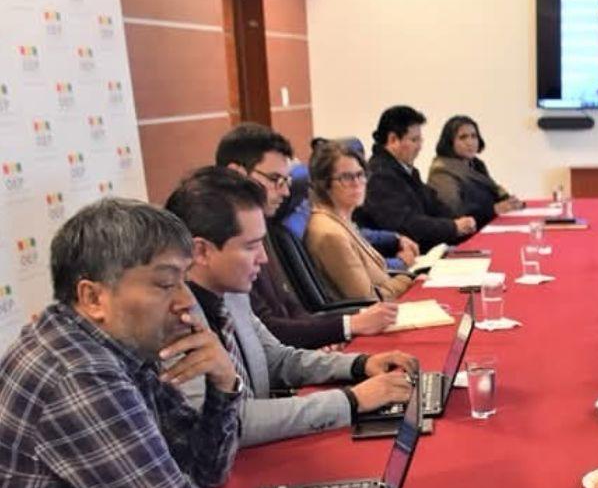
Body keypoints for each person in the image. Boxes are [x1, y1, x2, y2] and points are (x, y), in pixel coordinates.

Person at [0, 199, 241, 488]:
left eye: (184, 280)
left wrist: (224, 382)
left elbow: (204, 470)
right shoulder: (78, 374)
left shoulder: (113, 346)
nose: (185, 302)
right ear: (93, 297)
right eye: (165, 284)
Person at [165, 167, 416, 447]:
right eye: (250, 247)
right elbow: (233, 423)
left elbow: (278, 360)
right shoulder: (173, 321)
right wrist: (351, 400)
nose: (262, 258)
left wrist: (359, 365)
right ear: (201, 251)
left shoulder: (230, 294)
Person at [215, 123, 399, 349]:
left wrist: (324, 339)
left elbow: (292, 308)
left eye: (287, 181)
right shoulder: (226, 241)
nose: (285, 192)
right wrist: (347, 326)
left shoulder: (269, 229)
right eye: (275, 180)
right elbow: (266, 328)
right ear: (236, 174)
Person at [356, 105, 477, 249]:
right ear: (393, 139)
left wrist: (458, 221)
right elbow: (405, 224)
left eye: (420, 140)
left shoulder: (406, 170)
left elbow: (433, 204)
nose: (419, 146)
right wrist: (453, 227)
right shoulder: (379, 176)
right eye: (414, 140)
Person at [306, 141, 415, 301]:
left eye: (360, 174)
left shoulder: (342, 220)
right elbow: (368, 298)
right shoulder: (330, 234)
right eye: (346, 177)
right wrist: (409, 280)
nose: (357, 183)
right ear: (324, 184)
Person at [427, 115, 524, 228]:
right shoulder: (441, 171)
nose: (470, 142)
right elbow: (454, 214)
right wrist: (493, 209)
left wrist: (508, 201)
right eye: (463, 137)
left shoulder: (476, 164)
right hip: (465, 234)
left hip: (488, 225)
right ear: (449, 142)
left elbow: (493, 191)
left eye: (474, 136)